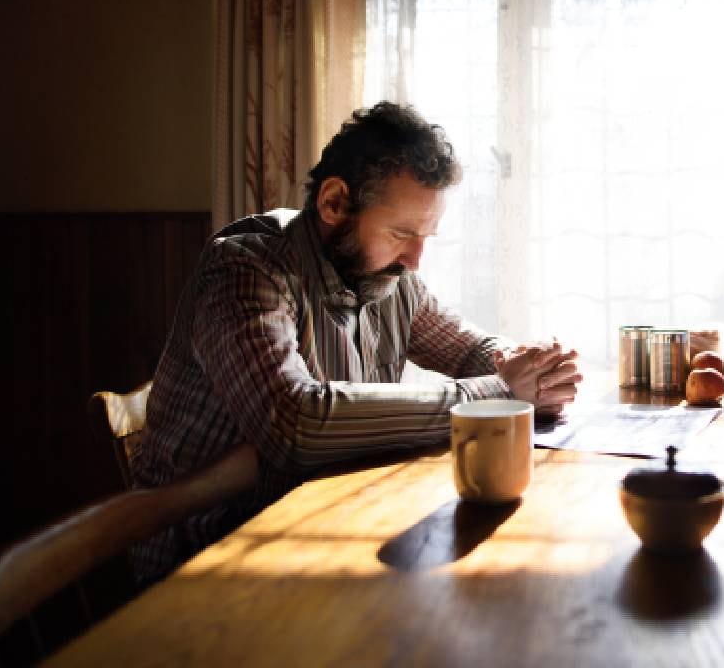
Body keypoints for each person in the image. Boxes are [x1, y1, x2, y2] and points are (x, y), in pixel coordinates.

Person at [131, 102, 582, 583]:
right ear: (334, 203)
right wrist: (498, 393)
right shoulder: (244, 269)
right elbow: (295, 421)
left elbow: (470, 349)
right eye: (401, 234)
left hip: (315, 527)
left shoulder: (387, 275)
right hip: (207, 560)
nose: (414, 259)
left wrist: (524, 365)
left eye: (426, 236)